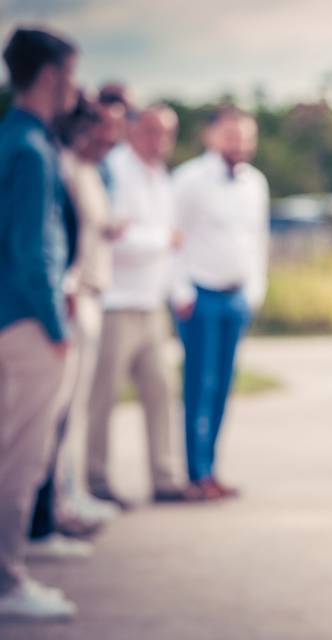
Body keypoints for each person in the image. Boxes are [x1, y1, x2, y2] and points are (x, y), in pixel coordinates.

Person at [0, 26, 80, 621]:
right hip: (28, 323)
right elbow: (34, 249)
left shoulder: (11, 138)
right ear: (52, 76)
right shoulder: (31, 148)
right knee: (21, 457)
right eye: (71, 75)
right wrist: (56, 327)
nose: (74, 88)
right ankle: (7, 580)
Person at [27, 95, 127, 560]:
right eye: (95, 130)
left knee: (72, 416)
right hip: (72, 297)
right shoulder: (60, 168)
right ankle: (41, 522)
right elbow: (57, 238)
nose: (104, 138)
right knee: (52, 419)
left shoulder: (87, 171)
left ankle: (63, 503)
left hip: (90, 295)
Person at [86, 103, 186, 506]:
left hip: (151, 304)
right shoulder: (115, 169)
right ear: (132, 130)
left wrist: (176, 289)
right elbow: (114, 237)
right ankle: (96, 482)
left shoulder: (162, 177)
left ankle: (164, 478)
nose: (159, 139)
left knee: (161, 391)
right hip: (116, 303)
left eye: (166, 132)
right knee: (103, 399)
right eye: (150, 130)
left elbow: (163, 243)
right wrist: (163, 239)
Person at [170, 106, 269, 500]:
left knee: (224, 386)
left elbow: (257, 238)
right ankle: (197, 475)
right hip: (199, 297)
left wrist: (255, 290)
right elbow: (173, 237)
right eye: (231, 135)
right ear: (211, 136)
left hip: (236, 297)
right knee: (199, 386)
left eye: (246, 136)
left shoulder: (255, 182)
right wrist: (180, 290)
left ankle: (212, 470)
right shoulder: (189, 180)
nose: (239, 143)